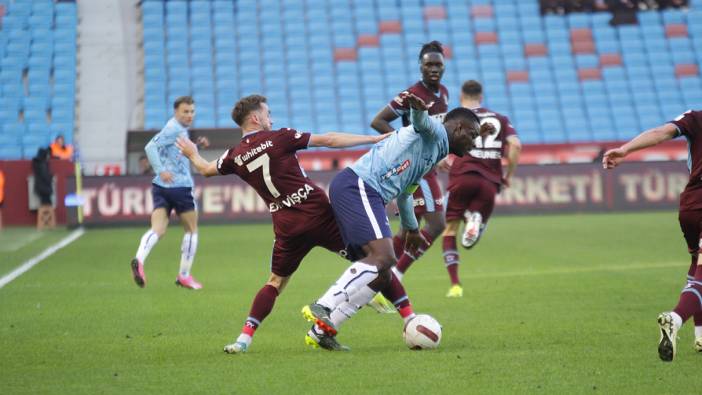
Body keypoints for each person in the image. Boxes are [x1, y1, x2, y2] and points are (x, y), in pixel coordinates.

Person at [175, 94, 395, 353]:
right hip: (318, 214)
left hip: (287, 226)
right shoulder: (279, 137)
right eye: (268, 113)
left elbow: (205, 169)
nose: (272, 118)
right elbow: (329, 140)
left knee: (275, 282)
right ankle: (402, 311)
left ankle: (243, 340)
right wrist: (373, 139)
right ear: (256, 118)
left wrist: (192, 153)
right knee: (376, 258)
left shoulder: (234, 156)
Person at [303, 93, 483, 348]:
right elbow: (423, 123)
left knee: (384, 274)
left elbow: (406, 193)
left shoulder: (432, 153)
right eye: (473, 135)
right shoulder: (437, 133)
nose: (474, 143)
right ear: (459, 127)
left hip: (366, 192)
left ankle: (321, 332)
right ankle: (323, 305)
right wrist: (418, 110)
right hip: (359, 186)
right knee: (384, 257)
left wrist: (410, 228)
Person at [394, 80, 522, 298]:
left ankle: (452, 284)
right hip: (490, 181)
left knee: (447, 228)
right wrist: (507, 176)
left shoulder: (457, 117)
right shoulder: (500, 118)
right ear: (481, 97)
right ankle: (474, 219)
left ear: (462, 97)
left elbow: (441, 136)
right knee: (465, 224)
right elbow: (516, 145)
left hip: (463, 176)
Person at [602, 109, 702, 361]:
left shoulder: (696, 116)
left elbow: (661, 133)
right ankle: (676, 318)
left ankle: (701, 335)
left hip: (691, 204)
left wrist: (625, 150)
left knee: (698, 264)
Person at [370, 41, 450, 308]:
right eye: (429, 64)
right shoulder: (411, 94)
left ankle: (372, 278)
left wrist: (441, 155)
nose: (434, 69)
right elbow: (378, 121)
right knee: (437, 224)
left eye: (438, 64)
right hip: (417, 170)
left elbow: (435, 131)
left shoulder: (444, 94)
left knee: (406, 229)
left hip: (429, 165)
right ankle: (394, 274)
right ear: (420, 66)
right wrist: (402, 143)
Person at [130, 96, 209, 290]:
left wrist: (196, 146)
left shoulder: (177, 129)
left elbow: (175, 152)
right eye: (185, 111)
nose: (190, 115)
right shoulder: (174, 128)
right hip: (179, 186)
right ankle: (184, 275)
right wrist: (160, 169)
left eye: (192, 111)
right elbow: (150, 147)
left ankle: (139, 259)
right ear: (176, 112)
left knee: (158, 229)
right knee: (191, 230)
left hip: (160, 187)